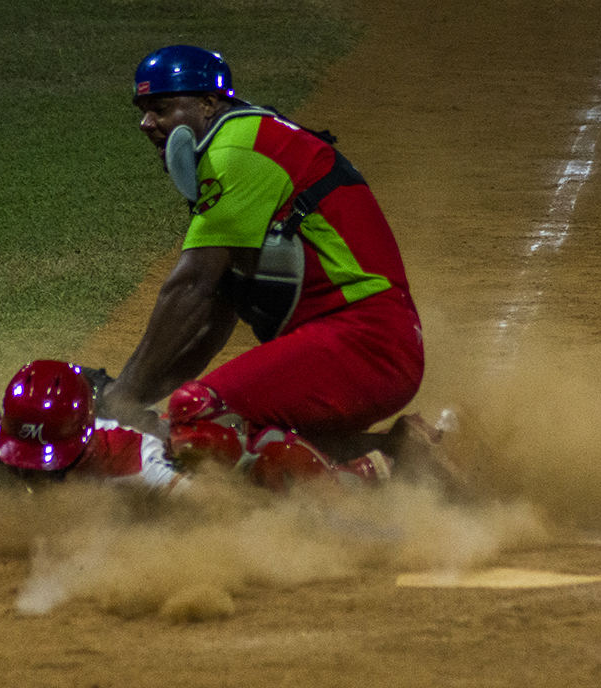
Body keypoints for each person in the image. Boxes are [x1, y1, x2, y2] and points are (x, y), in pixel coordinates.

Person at [98, 45, 426, 484]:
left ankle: (357, 483)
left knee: (199, 415)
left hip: (363, 344)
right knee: (227, 425)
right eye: (142, 111)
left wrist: (123, 396)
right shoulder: (242, 143)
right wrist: (138, 403)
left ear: (208, 103)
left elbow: (189, 289)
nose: (146, 123)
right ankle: (405, 453)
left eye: (160, 108)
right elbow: (210, 327)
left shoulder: (236, 152)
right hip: (360, 346)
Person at [0, 360, 187, 534]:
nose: (33, 471)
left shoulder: (130, 451)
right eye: (24, 454)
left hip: (107, 409)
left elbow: (206, 503)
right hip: (70, 410)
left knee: (177, 434)